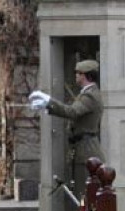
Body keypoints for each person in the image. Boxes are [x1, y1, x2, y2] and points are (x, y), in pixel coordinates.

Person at [29, 59, 104, 197]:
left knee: (85, 193)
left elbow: (72, 112)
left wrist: (48, 102)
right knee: (80, 192)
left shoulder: (90, 96)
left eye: (78, 73)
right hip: (81, 148)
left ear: (85, 75)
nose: (76, 76)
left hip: (86, 151)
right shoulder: (87, 93)